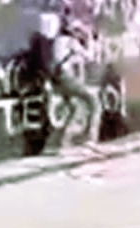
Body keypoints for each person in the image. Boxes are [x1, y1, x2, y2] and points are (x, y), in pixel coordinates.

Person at [25, 12, 102, 152]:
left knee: (72, 107)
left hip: (56, 80)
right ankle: (91, 139)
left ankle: (61, 142)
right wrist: (89, 39)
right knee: (94, 102)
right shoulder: (70, 42)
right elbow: (90, 58)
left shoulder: (57, 40)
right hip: (65, 77)